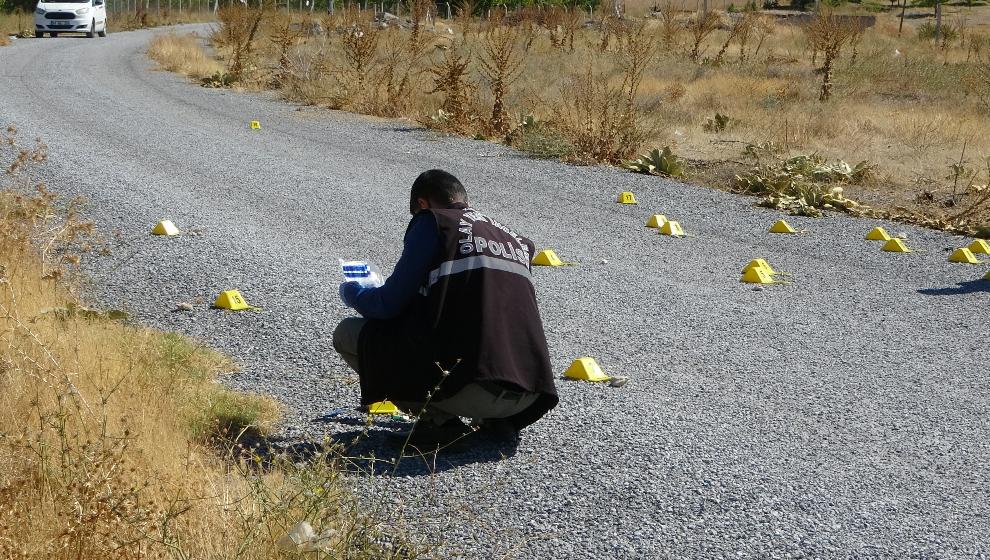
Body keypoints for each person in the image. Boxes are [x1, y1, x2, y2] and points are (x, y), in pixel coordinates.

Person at [333, 169, 558, 448]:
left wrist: (352, 291)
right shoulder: (516, 240)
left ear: (423, 204)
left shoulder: (434, 222)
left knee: (347, 333)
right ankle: (494, 423)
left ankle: (438, 423)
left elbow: (386, 306)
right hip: (528, 396)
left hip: (472, 390)